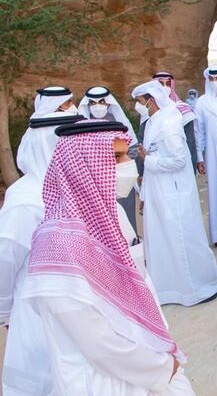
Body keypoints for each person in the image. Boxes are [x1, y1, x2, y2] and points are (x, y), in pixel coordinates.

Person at [22, 120, 195, 395]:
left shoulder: (110, 217)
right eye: (115, 157)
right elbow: (98, 342)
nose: (127, 165)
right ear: (84, 167)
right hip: (103, 381)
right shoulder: (56, 244)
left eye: (126, 155)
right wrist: (161, 368)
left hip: (148, 366)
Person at [0, 109, 83, 396]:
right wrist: (5, 312)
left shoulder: (78, 188)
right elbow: (5, 260)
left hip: (82, 314)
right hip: (37, 314)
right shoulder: (25, 199)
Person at [132, 81, 217, 306]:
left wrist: (148, 159)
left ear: (151, 101)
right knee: (164, 240)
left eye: (140, 101)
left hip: (173, 193)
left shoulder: (169, 122)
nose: (137, 105)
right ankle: (171, 290)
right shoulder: (154, 121)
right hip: (158, 192)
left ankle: (197, 288)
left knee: (181, 239)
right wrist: (143, 194)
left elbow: (178, 160)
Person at [79, 86, 139, 232]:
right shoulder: (81, 125)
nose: (98, 106)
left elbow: (132, 148)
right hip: (93, 180)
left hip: (120, 177)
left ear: (108, 103)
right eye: (93, 103)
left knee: (125, 218)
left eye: (101, 102)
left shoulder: (119, 122)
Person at [193, 66, 217, 247]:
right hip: (211, 154)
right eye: (212, 78)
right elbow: (198, 131)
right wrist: (200, 157)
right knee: (215, 190)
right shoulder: (202, 102)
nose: (216, 81)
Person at [152, 72, 199, 169]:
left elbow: (190, 142)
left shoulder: (184, 110)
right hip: (155, 163)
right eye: (161, 84)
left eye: (168, 84)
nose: (165, 87)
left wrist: (193, 166)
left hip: (180, 162)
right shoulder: (149, 110)